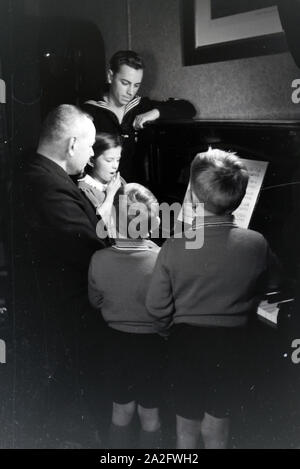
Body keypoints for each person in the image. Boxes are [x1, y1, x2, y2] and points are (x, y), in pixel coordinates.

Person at [146, 148, 280, 449]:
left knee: (186, 429)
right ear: (242, 196)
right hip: (234, 347)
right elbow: (274, 282)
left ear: (192, 197)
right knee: (218, 428)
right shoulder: (256, 242)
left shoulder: (175, 244)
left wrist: (170, 330)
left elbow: (156, 307)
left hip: (187, 346)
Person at [13, 104, 107, 447]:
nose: (94, 153)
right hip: (67, 314)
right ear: (71, 146)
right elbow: (90, 252)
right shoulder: (47, 186)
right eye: (91, 145)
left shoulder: (37, 170)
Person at [88, 183, 164, 448]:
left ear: (112, 221)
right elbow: (168, 307)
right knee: (150, 415)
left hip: (116, 345)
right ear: (153, 224)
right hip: (153, 346)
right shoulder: (161, 259)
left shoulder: (98, 258)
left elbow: (95, 300)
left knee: (120, 412)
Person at [81, 50, 196, 181]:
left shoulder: (140, 106)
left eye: (136, 85)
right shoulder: (89, 110)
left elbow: (188, 108)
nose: (130, 92)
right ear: (110, 76)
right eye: (125, 83)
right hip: (97, 191)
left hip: (134, 190)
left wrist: (154, 113)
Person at [77, 132, 125, 235]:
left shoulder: (119, 181)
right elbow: (98, 224)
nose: (115, 166)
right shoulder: (85, 190)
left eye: (118, 160)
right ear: (91, 161)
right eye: (109, 160)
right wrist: (110, 195)